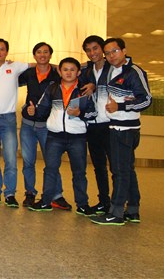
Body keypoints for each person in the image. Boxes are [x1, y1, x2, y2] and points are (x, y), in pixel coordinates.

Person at [91, 38, 152, 226]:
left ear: (124, 51)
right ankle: (133, 210)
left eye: (115, 51)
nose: (111, 56)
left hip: (125, 129)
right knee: (127, 170)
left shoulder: (133, 72)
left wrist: (121, 106)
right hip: (116, 125)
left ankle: (115, 212)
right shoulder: (112, 70)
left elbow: (146, 100)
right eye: (108, 53)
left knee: (119, 171)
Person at [27, 57, 97, 216]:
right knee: (50, 170)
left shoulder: (84, 91)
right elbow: (42, 109)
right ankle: (46, 201)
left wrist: (80, 113)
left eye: (72, 70)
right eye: (65, 69)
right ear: (59, 71)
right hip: (55, 136)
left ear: (78, 72)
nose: (68, 73)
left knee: (79, 172)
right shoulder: (52, 88)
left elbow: (93, 113)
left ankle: (82, 204)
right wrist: (34, 111)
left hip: (77, 137)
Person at [18, 42, 71, 209]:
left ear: (50, 55)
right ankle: (30, 193)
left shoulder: (57, 74)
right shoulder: (28, 73)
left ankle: (56, 195)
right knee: (28, 162)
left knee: (51, 162)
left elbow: (75, 74)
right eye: (39, 52)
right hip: (27, 125)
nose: (42, 55)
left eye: (46, 52)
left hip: (48, 125)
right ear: (34, 55)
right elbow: (9, 78)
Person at [0, 38, 30, 207]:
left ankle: (10, 194)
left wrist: (60, 68)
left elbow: (38, 64)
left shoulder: (15, 66)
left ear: (7, 52)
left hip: (8, 119)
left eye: (2, 49)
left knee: (10, 158)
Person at [81, 35, 113, 215]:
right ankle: (104, 202)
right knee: (99, 166)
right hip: (93, 125)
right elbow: (66, 68)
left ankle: (120, 204)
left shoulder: (113, 68)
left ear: (102, 49)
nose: (92, 53)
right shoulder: (87, 71)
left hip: (111, 124)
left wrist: (95, 85)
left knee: (117, 167)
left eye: (95, 48)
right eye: (88, 50)